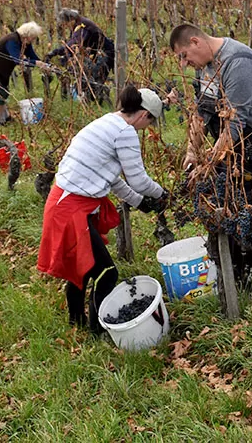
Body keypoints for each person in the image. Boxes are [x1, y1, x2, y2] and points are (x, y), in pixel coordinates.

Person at [36, 86, 168, 334]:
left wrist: (138, 201)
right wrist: (161, 194)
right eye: (150, 122)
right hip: (71, 209)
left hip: (62, 202)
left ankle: (77, 325)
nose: (147, 128)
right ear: (143, 115)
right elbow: (138, 179)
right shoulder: (125, 132)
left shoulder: (107, 122)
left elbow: (112, 178)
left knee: (81, 267)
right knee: (107, 272)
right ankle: (99, 331)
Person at [168, 24, 252, 208]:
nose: (183, 64)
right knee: (223, 199)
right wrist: (192, 150)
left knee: (250, 203)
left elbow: (235, 122)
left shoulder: (237, 63)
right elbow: (201, 110)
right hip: (228, 140)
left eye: (184, 56)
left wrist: (209, 164)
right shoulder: (202, 66)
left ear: (195, 42)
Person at [0, 21, 51, 125]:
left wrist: (42, 64)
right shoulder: (12, 40)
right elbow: (18, 60)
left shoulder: (25, 42)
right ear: (27, 35)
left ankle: (6, 117)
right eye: (32, 37)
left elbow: (32, 55)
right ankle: (1, 122)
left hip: (2, 69)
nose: (33, 40)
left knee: (3, 92)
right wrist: (36, 63)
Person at [46, 8, 116, 103]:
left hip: (105, 54)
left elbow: (73, 45)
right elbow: (71, 44)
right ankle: (96, 101)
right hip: (97, 54)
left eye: (66, 24)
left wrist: (61, 58)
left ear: (71, 19)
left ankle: (103, 101)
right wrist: (55, 53)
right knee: (90, 80)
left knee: (94, 81)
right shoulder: (78, 24)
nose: (66, 27)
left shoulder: (82, 27)